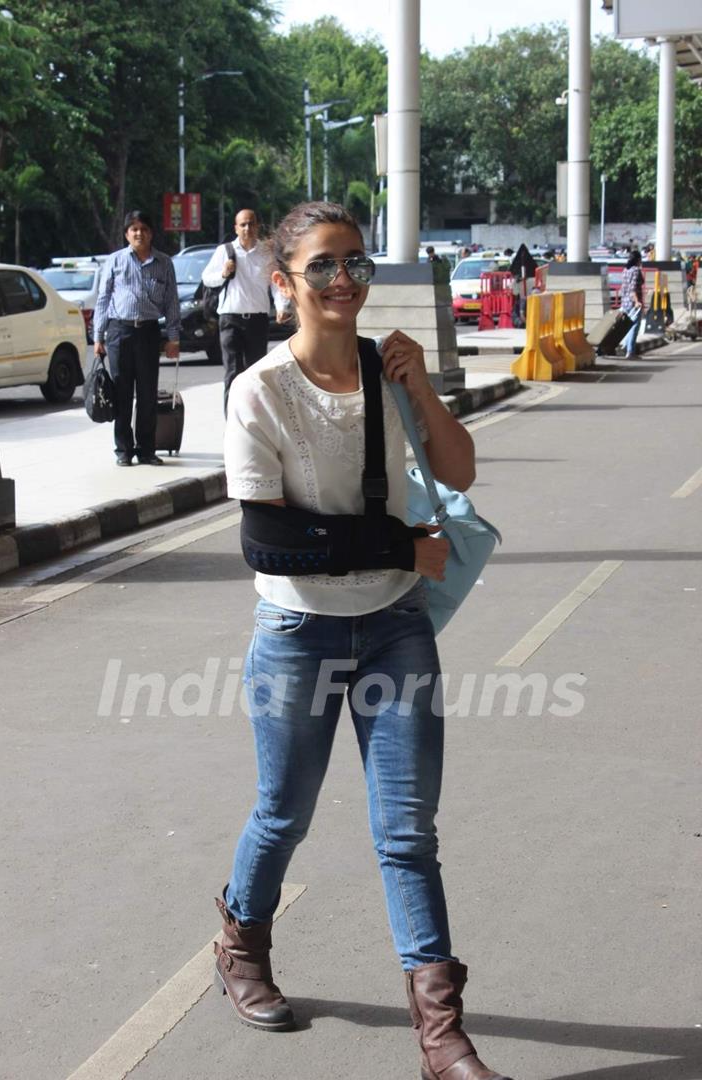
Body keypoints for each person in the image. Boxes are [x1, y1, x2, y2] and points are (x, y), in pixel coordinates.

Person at [217, 201, 513, 1080]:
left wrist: (419, 385)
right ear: (284, 284)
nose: (344, 280)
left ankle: (441, 1037)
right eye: (323, 267)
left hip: (394, 628)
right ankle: (240, 942)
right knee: (283, 812)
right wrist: (397, 545)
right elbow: (267, 542)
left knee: (407, 833)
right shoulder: (259, 390)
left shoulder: (388, 373)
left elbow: (457, 472)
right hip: (297, 631)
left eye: (356, 263)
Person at [93, 210, 180, 466]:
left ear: (151, 233)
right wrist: (98, 336)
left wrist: (173, 337)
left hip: (149, 332)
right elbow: (103, 299)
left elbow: (172, 302)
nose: (139, 233)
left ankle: (146, 450)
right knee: (122, 392)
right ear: (126, 234)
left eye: (143, 229)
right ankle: (123, 450)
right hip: (120, 333)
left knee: (147, 394)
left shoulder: (164, 263)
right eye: (134, 229)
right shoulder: (115, 261)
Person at [202, 208, 286, 415]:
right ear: (236, 228)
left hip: (257, 321)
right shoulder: (225, 251)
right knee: (232, 372)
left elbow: (276, 283)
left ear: (257, 226)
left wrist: (281, 306)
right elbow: (207, 278)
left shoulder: (266, 253)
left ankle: (254, 420)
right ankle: (232, 420)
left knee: (255, 373)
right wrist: (223, 273)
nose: (247, 228)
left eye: (251, 224)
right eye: (243, 225)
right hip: (230, 319)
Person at [619, 250, 645, 358]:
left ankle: (625, 347)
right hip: (633, 303)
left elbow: (626, 287)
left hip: (624, 302)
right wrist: (637, 301)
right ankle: (630, 351)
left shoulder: (625, 270)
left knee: (627, 326)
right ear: (638, 260)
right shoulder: (635, 270)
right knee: (634, 326)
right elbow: (633, 288)